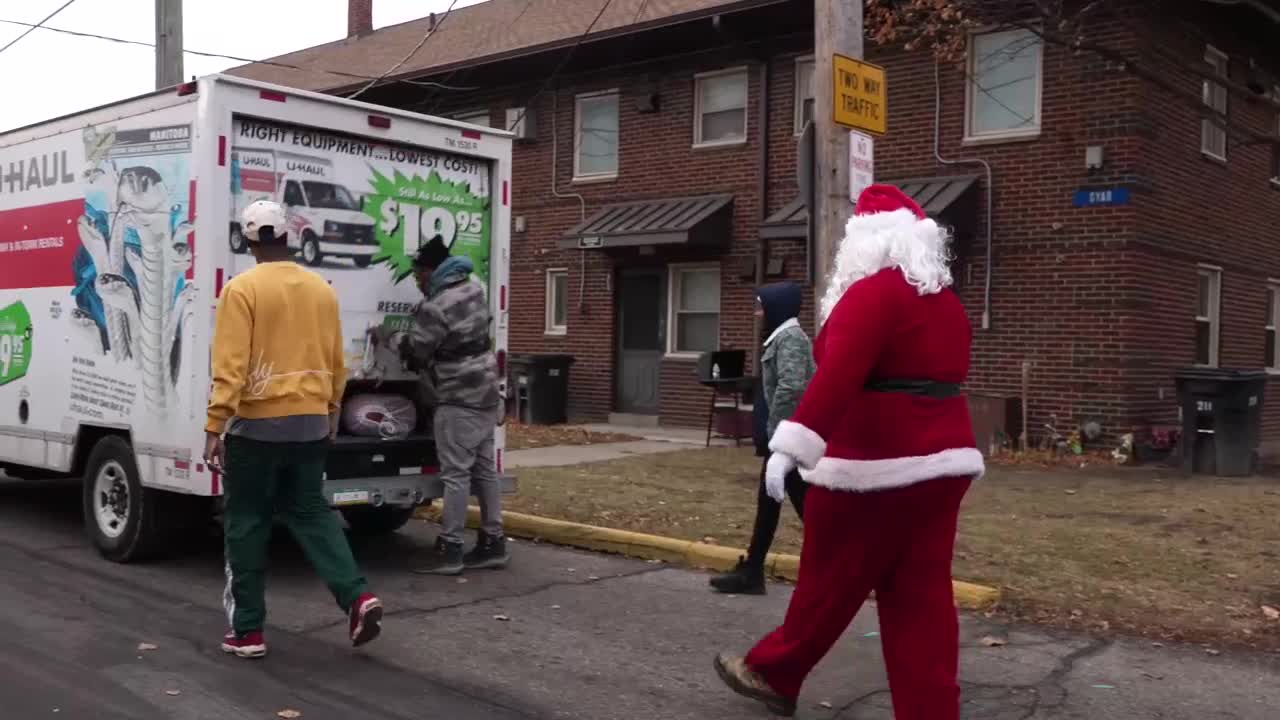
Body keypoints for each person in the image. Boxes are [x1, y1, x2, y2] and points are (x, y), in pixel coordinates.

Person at [713, 185, 985, 719]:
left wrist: (790, 446)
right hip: (944, 466)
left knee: (829, 578)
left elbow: (836, 377)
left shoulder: (870, 295)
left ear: (867, 241)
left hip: (873, 464)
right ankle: (931, 710)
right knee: (921, 597)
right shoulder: (947, 303)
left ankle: (773, 671)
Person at [204, 199, 383, 659]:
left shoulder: (241, 290)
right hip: (310, 423)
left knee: (247, 523)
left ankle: (248, 632)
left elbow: (230, 367)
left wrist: (215, 425)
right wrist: (331, 411)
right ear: (287, 235)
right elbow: (337, 360)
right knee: (310, 510)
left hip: (256, 427)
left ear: (249, 240)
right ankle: (357, 596)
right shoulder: (321, 290)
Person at [399, 235, 507, 576]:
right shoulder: (475, 290)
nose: (417, 281)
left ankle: (451, 549)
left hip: (459, 396)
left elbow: (418, 353)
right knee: (485, 471)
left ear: (431, 271)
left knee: (456, 475)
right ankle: (493, 543)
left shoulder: (435, 307)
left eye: (418, 274)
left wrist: (395, 340)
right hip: (487, 391)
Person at [709, 282, 814, 595]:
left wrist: (776, 432)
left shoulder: (791, 338)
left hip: (788, 437)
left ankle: (839, 564)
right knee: (773, 501)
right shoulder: (783, 337)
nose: (757, 313)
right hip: (786, 436)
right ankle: (753, 570)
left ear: (776, 307)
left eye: (761, 307)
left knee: (799, 503)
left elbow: (792, 386)